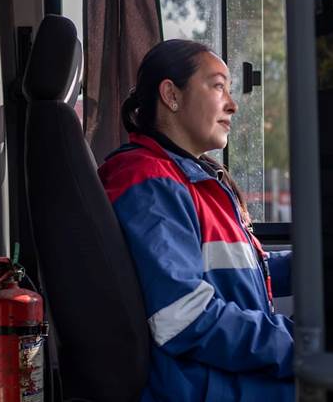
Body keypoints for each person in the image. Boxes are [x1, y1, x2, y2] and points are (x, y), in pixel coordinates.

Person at [98, 39, 294, 401]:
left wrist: (325, 266)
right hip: (198, 386)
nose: (232, 105)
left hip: (220, 376)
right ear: (171, 95)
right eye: (218, 86)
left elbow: (244, 270)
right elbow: (182, 317)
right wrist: (298, 346)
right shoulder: (147, 180)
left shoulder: (192, 179)